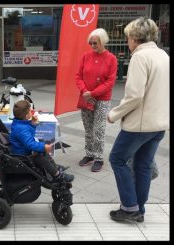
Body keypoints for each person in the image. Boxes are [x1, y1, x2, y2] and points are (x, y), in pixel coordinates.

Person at [107, 17, 169, 222]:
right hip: (159, 124)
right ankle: (138, 208)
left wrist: (114, 114)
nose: (127, 42)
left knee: (117, 159)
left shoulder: (140, 57)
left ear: (135, 37)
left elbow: (135, 96)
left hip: (139, 125)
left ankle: (129, 207)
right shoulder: (163, 55)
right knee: (143, 165)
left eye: (128, 37)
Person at [75, 28, 117, 172]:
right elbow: (78, 76)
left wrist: (92, 93)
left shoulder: (111, 58)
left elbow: (110, 82)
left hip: (102, 99)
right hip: (86, 97)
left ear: (103, 42)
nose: (93, 46)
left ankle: (98, 157)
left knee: (98, 129)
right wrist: (84, 91)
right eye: (91, 43)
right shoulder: (85, 56)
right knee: (88, 128)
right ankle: (90, 154)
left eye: (95, 43)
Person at [9, 100, 74, 182]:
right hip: (23, 155)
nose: (31, 112)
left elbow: (28, 133)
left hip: (24, 150)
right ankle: (57, 175)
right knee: (40, 156)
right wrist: (43, 146)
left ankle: (54, 168)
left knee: (43, 151)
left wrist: (32, 124)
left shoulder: (20, 123)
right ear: (26, 116)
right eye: (30, 111)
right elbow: (30, 144)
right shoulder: (21, 129)